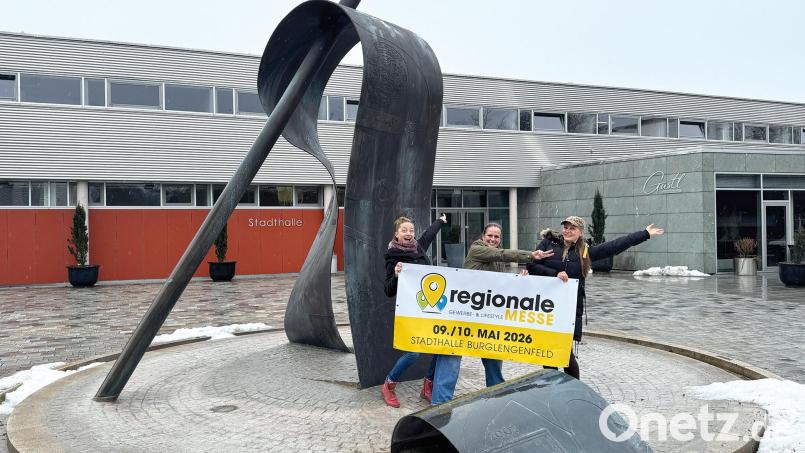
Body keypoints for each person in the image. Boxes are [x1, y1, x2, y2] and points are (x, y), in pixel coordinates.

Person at [430, 223, 554, 405]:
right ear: (483, 236)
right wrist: (530, 255)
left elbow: (501, 287)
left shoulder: (497, 260)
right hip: (463, 315)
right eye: (490, 235)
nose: (493, 239)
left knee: (493, 358)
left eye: (497, 237)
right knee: (451, 357)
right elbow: (501, 254)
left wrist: (519, 280)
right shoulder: (477, 249)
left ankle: (497, 399)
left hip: (487, 317)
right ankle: (439, 404)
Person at [527, 216, 665, 379]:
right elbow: (531, 265)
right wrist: (555, 273)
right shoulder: (548, 243)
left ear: (580, 232)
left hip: (568, 308)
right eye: (566, 227)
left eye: (572, 228)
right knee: (547, 352)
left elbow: (614, 246)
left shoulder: (585, 251)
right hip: (545, 306)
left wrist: (644, 234)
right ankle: (552, 386)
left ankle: (574, 387)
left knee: (564, 353)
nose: (567, 231)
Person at [381, 213, 446, 408]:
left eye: (411, 230)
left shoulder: (418, 247)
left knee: (439, 346)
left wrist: (441, 221)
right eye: (404, 230)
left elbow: (429, 234)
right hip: (409, 310)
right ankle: (389, 385)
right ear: (397, 234)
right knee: (414, 353)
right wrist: (396, 275)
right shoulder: (392, 256)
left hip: (429, 308)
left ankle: (428, 385)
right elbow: (388, 290)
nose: (409, 233)